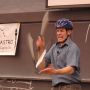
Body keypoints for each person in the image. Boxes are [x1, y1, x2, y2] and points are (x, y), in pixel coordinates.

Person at [36, 18, 81, 90]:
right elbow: (42, 66)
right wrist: (40, 49)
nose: (58, 33)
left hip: (70, 86)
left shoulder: (73, 47)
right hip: (55, 87)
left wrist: (55, 71)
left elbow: (71, 69)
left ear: (69, 32)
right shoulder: (54, 47)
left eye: (61, 31)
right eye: (57, 31)